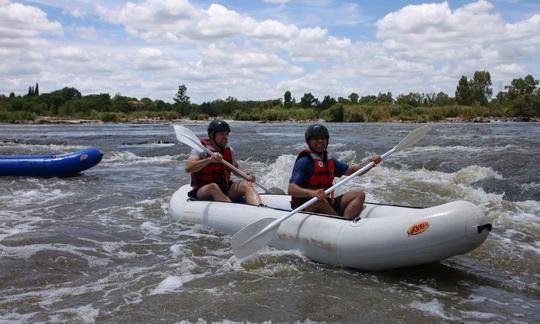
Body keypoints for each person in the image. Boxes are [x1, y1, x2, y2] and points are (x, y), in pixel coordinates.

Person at [288, 124, 381, 220]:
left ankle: (345, 221)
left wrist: (371, 163)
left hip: (326, 202)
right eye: (315, 138)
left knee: (359, 194)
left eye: (323, 138)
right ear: (309, 141)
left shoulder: (329, 161)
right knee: (318, 201)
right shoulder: (304, 162)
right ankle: (340, 222)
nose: (320, 141)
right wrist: (312, 193)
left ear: (327, 141)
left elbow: (352, 170)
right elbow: (291, 189)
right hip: (305, 207)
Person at [185, 119, 264, 206]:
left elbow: (235, 168)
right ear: (212, 135)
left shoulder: (229, 150)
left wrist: (246, 175)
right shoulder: (200, 149)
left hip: (224, 188)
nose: (225, 137)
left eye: (227, 134)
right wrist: (209, 160)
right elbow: (189, 168)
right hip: (202, 191)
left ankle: (259, 207)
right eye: (222, 134)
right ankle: (233, 210)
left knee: (245, 184)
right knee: (213, 187)